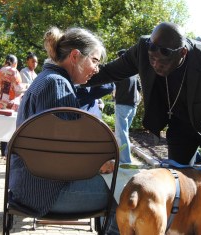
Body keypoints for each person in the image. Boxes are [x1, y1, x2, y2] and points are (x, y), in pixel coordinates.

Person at [87, 22, 201, 235]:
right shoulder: (143, 49)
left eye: (163, 60)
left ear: (182, 52)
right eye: (152, 58)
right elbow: (112, 71)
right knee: (177, 193)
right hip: (179, 127)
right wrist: (77, 78)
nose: (155, 64)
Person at [9, 26, 119, 234]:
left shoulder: (48, 79)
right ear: (75, 56)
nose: (97, 69)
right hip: (44, 192)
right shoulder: (57, 86)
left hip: (30, 185)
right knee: (126, 191)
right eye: (95, 61)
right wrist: (99, 164)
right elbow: (64, 159)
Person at [0, 54, 24, 156]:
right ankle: (8, 153)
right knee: (10, 129)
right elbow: (19, 90)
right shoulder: (14, 72)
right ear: (15, 63)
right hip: (10, 106)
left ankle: (3, 152)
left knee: (2, 128)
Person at [114, 49, 141, 163]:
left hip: (122, 104)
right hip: (133, 105)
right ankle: (121, 155)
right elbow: (139, 88)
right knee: (124, 133)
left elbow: (110, 85)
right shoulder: (134, 72)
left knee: (121, 133)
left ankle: (125, 160)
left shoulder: (120, 71)